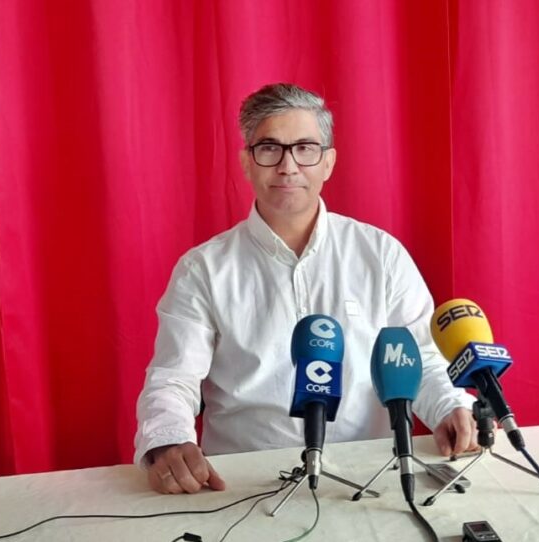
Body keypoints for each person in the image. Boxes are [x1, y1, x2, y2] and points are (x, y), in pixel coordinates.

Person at [134, 83, 478, 495]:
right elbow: (174, 377)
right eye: (269, 148)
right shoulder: (203, 269)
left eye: (305, 148)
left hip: (364, 478)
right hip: (242, 483)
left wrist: (449, 407)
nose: (288, 166)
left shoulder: (380, 254)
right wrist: (169, 439)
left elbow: (419, 357)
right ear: (246, 162)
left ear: (328, 162)